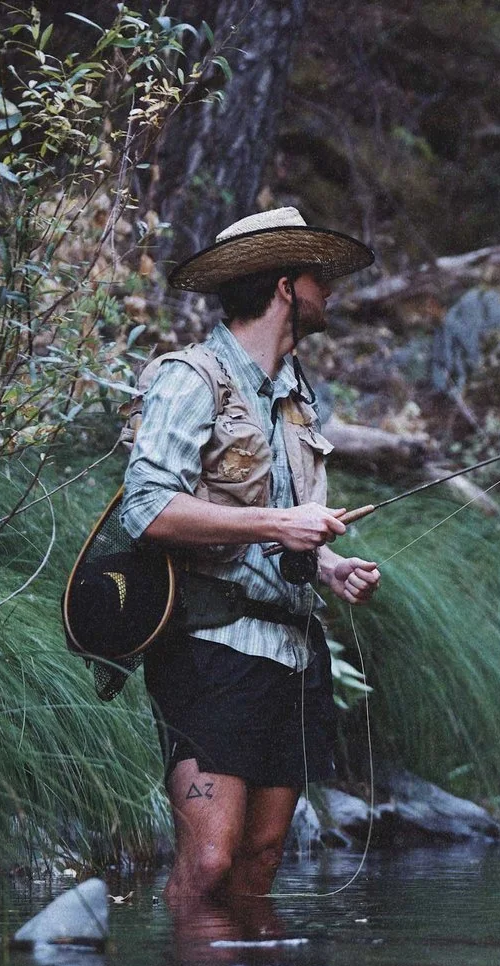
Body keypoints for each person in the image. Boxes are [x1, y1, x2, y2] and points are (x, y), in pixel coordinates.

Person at [120, 207, 381, 912]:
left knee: (261, 861)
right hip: (210, 648)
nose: (328, 288)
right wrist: (278, 522)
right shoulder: (191, 378)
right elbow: (144, 509)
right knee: (208, 862)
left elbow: (275, 533)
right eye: (317, 275)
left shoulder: (300, 399)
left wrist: (329, 568)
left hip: (294, 653)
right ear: (285, 286)